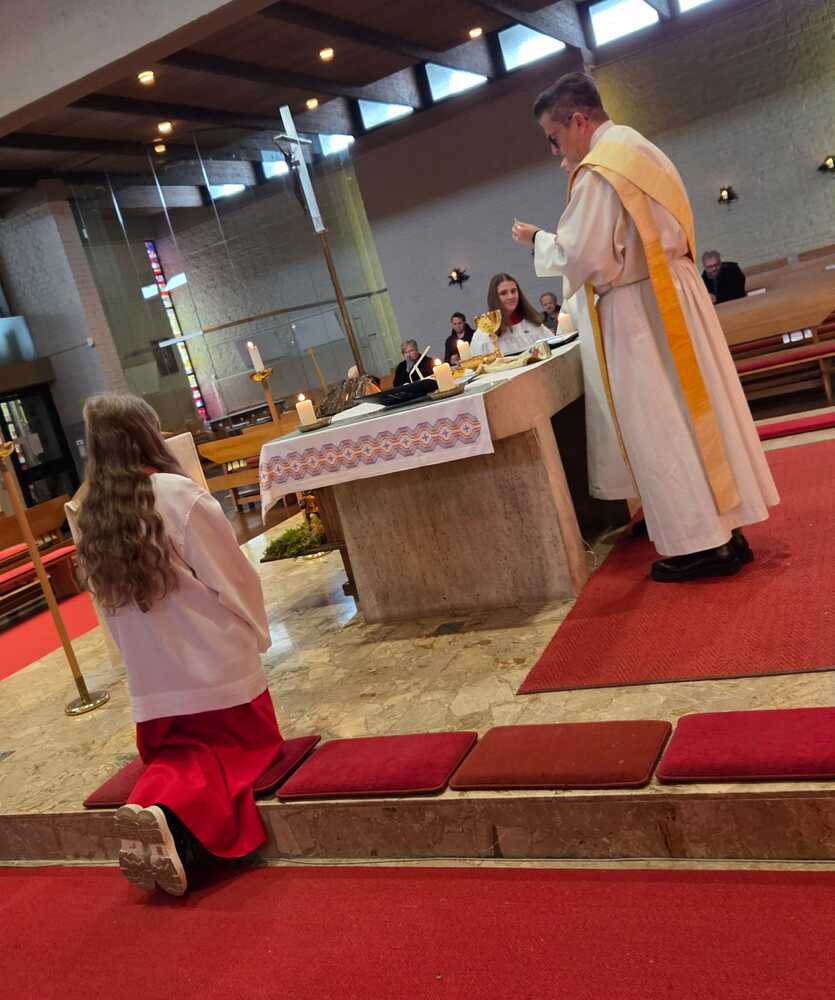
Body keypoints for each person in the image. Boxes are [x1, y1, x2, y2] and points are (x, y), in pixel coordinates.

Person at [511, 72, 778, 582]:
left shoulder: (599, 171)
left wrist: (538, 240)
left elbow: (583, 256)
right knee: (698, 416)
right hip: (673, 293)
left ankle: (702, 544)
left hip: (640, 310)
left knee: (661, 425)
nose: (556, 151)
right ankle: (728, 528)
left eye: (554, 136)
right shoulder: (640, 148)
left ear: (578, 120)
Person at [76, 394, 284, 895]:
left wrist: (143, 669)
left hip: (156, 693)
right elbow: (232, 578)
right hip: (217, 677)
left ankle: (151, 806)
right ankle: (170, 813)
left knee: (177, 754)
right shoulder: (175, 494)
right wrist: (258, 634)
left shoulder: (90, 515)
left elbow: (110, 615)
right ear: (148, 434)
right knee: (240, 755)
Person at [469, 273, 551, 356]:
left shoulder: (534, 324)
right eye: (503, 293)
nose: (510, 296)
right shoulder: (483, 335)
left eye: (513, 291)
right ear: (494, 298)